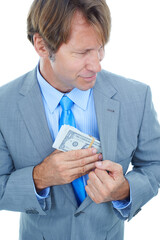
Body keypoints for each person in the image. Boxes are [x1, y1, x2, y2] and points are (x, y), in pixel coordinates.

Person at [0, 0, 160, 239]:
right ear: (42, 46)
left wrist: (124, 190)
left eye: (100, 48)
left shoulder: (136, 96)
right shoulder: (4, 104)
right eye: (82, 52)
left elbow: (154, 165)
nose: (96, 65)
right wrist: (39, 177)